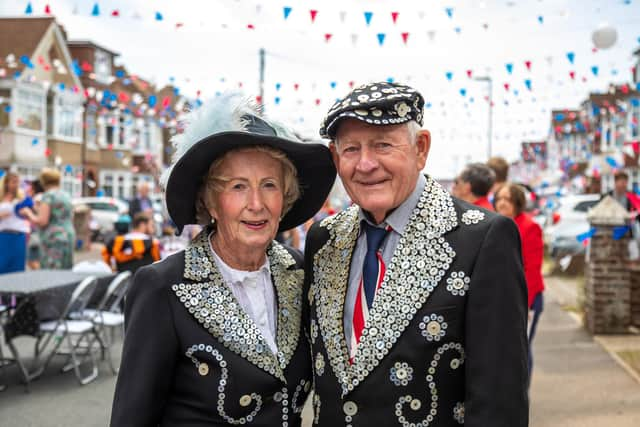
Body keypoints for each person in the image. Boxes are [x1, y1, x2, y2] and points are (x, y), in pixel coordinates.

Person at [304, 82, 529, 426]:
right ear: (336, 158)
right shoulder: (324, 239)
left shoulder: (483, 239)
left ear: (420, 148)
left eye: (382, 145)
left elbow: (499, 401)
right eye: (351, 149)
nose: (365, 164)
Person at [110, 93, 336, 426]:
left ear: (285, 198)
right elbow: (132, 417)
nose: (256, 203)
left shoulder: (299, 270)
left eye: (269, 185)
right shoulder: (163, 286)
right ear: (211, 202)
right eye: (238, 186)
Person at [494, 183, 545, 380]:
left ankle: (522, 392)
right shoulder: (495, 225)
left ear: (517, 202)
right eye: (499, 199)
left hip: (527, 298)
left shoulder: (530, 227)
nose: (502, 203)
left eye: (507, 199)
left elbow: (531, 270)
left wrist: (526, 304)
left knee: (522, 349)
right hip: (503, 297)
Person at [19, 168, 75, 269]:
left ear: (44, 181)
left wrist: (28, 213)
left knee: (52, 271)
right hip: (68, 234)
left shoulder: (48, 196)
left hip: (54, 237)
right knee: (65, 270)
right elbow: (70, 216)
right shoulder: (66, 195)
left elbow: (42, 221)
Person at [0, 171, 30, 273]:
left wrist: (26, 213)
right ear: (6, 183)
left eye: (17, 182)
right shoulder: (1, 198)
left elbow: (31, 213)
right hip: (3, 236)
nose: (16, 184)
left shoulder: (22, 197)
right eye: (13, 182)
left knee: (17, 267)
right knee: (2, 265)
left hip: (18, 236)